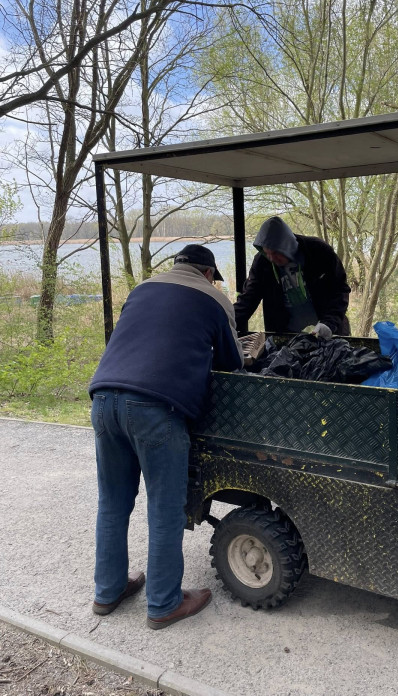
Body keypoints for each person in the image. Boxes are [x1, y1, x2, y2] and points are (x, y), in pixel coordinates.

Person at [89, 244, 243, 630]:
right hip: (156, 409)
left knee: (112, 501)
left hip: (104, 399)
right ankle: (163, 604)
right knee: (165, 507)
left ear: (176, 266)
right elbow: (233, 363)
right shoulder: (214, 298)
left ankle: (108, 592)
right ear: (209, 274)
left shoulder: (142, 289)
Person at [234, 216, 351, 337]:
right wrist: (226, 323)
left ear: (287, 246)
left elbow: (340, 290)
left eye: (275, 253)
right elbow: (248, 299)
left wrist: (329, 323)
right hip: (287, 336)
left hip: (328, 332)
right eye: (267, 253)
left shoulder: (319, 251)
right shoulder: (262, 263)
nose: (272, 258)